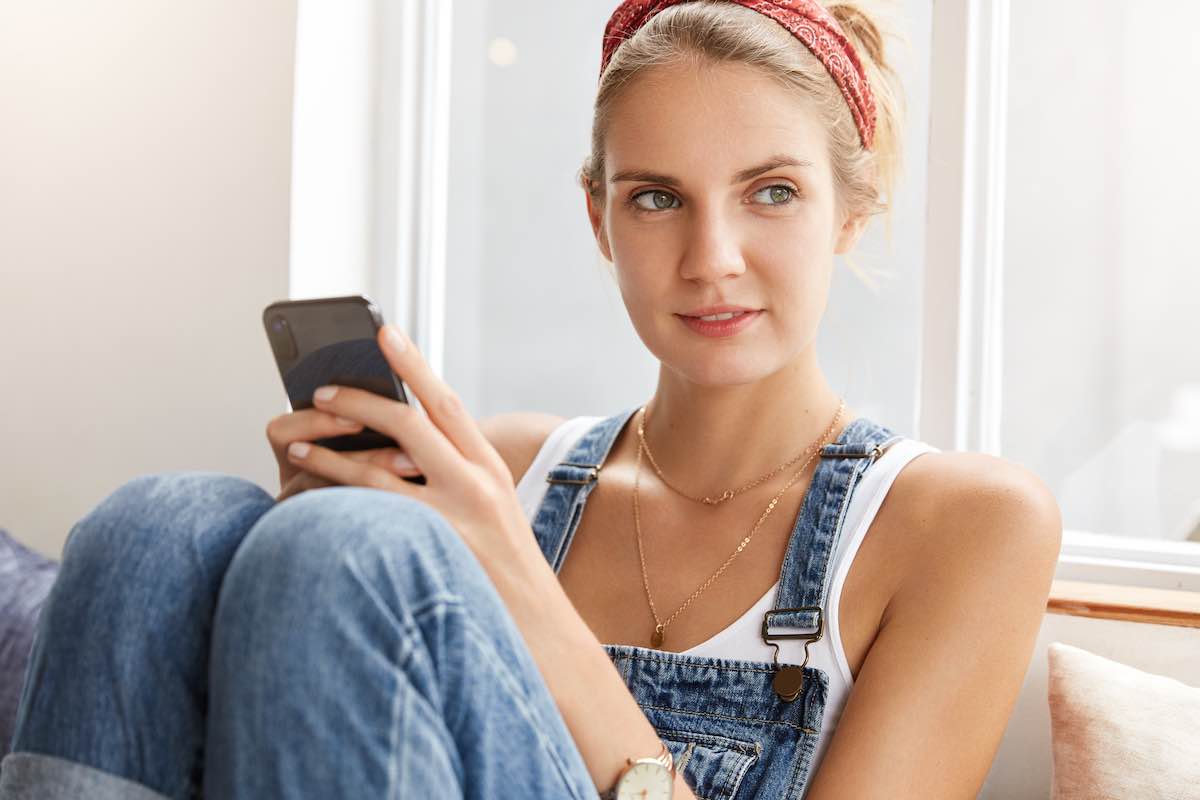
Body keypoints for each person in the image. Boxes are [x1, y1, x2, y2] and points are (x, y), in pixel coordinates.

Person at [0, 1, 1063, 798]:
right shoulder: (508, 464)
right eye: (657, 198)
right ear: (599, 217)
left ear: (851, 210)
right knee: (160, 525)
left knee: (348, 553)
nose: (713, 258)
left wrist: (509, 572)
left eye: (772, 191)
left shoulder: (965, 523)